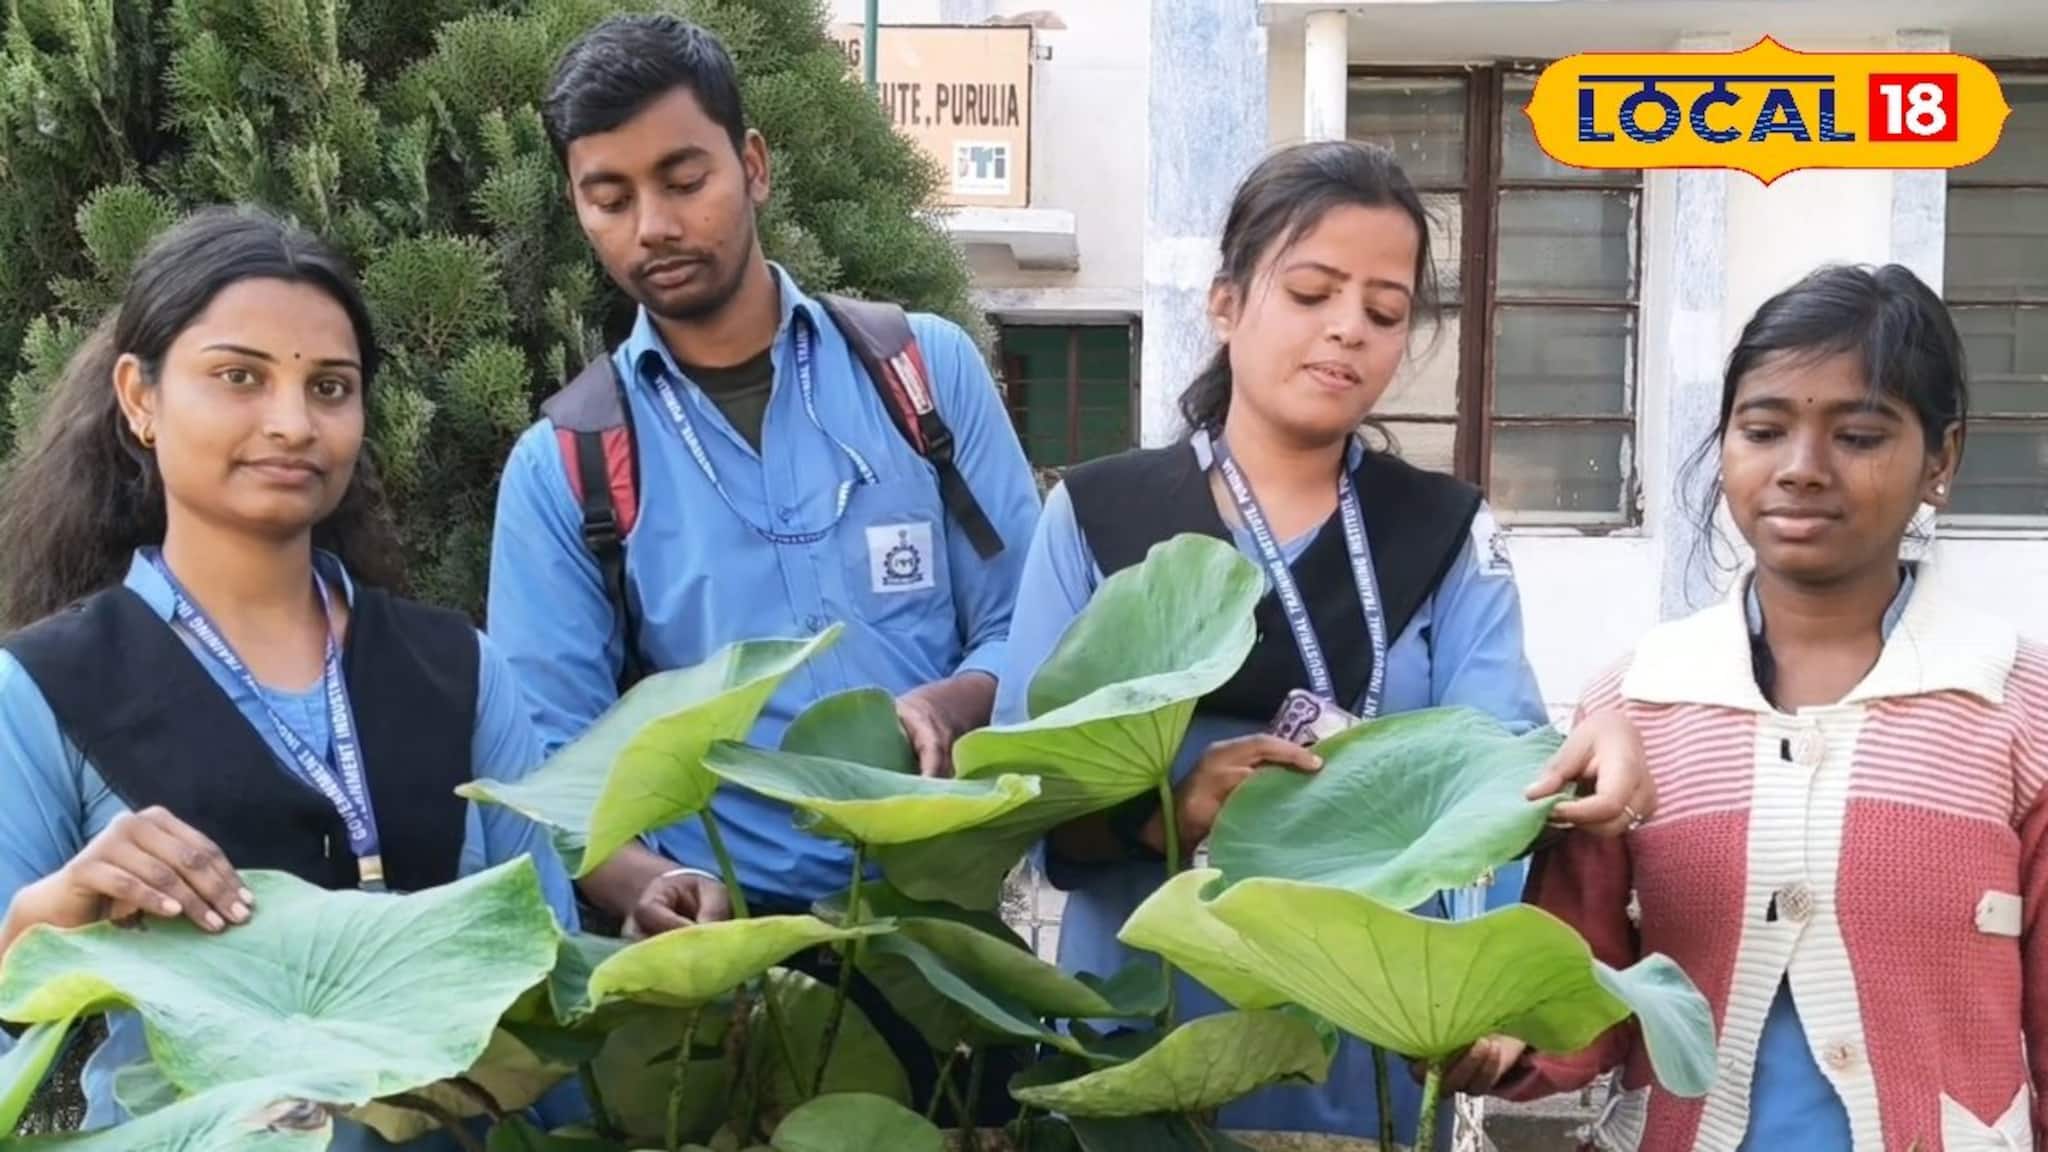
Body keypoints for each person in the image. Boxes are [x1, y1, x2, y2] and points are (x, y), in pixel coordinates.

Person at [993, 140, 1657, 1145]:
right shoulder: (1094, 517)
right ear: (1224, 304)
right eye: (1309, 292)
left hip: (1372, 1059)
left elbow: (1502, 778)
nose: (1347, 328)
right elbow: (1021, 799)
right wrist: (1162, 815)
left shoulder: (1443, 533)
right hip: (1149, 1048)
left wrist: (1594, 747)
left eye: (1383, 312)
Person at [485, 12, 1041, 1113]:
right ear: (578, 209)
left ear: (751, 164)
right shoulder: (568, 466)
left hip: (948, 963)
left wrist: (963, 695)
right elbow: (548, 772)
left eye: (683, 176)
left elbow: (1036, 628)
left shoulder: (921, 377)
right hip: (716, 999)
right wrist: (653, 887)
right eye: (609, 197)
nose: (653, 224)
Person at [0, 207, 578, 1149]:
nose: (291, 422)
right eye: (240, 377)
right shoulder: (42, 688)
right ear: (138, 399)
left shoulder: (460, 671)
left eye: (331, 387)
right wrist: (47, 917)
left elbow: (559, 995)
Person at [1462, 263, 2048, 1151]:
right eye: (1764, 429)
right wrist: (1507, 1041)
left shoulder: (2016, 706)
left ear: (1943, 460)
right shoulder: (1635, 703)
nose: (1802, 470)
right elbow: (1587, 991)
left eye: (1857, 435)